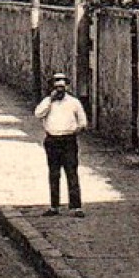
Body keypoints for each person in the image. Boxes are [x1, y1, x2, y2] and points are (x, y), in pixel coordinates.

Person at [34, 72, 88, 217]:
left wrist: (75, 130)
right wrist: (50, 101)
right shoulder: (47, 102)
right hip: (52, 141)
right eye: (57, 87)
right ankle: (54, 206)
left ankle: (76, 207)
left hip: (68, 141)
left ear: (66, 87)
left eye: (62, 87)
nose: (59, 90)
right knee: (54, 173)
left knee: (71, 172)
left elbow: (83, 121)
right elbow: (38, 114)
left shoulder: (73, 102)